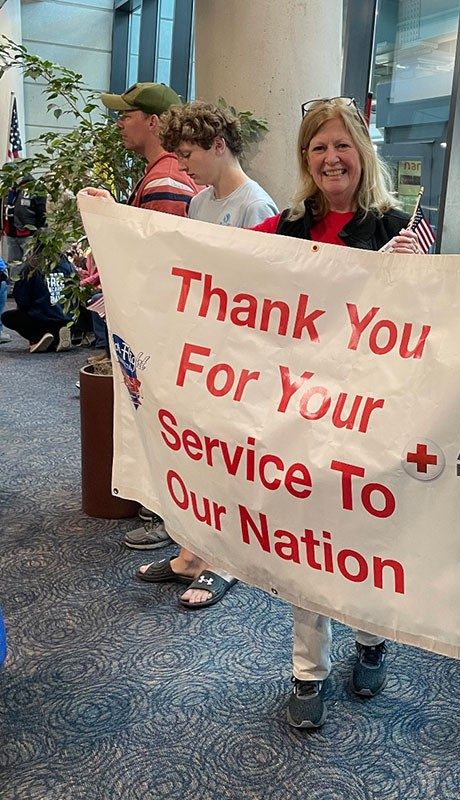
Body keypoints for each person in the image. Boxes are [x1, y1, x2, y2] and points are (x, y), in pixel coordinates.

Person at [250, 96, 422, 729]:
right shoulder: (284, 227)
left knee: (363, 540)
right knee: (306, 542)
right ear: (305, 158)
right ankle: (307, 670)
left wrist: (415, 276)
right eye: (317, 147)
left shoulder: (397, 228)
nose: (330, 157)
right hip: (300, 413)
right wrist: (114, 227)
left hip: (370, 416)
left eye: (341, 144)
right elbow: (208, 267)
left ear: (362, 152)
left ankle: (372, 641)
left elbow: (430, 322)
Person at [132, 100, 278, 609]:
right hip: (202, 350)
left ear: (219, 145)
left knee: (230, 462)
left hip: (238, 358)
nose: (184, 164)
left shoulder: (257, 207)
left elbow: (261, 297)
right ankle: (192, 553)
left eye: (190, 153)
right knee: (198, 456)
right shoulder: (201, 202)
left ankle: (225, 563)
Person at [89, 82, 199, 551]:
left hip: (161, 335)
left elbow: (163, 272)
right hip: (160, 331)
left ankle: (168, 517)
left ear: (154, 122)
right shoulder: (161, 175)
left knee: (158, 417)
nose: (119, 123)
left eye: (126, 115)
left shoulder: (165, 182)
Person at [1, 254, 75, 353]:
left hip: (42, 319)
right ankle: (61, 335)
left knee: (7, 317)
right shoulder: (67, 265)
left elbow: (22, 299)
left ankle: (38, 337)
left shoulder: (31, 267)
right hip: (68, 318)